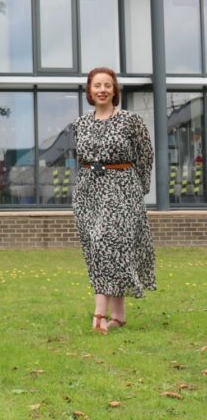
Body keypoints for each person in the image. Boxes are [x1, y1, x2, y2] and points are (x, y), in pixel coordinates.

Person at [72, 67, 156, 334]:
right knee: (103, 248)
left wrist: (137, 188)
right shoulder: (80, 123)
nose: (102, 90)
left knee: (105, 242)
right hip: (89, 192)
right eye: (97, 85)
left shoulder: (131, 121)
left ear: (115, 90)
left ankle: (99, 313)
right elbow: (80, 159)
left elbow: (146, 155)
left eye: (107, 85)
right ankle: (118, 316)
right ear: (89, 90)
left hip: (122, 189)